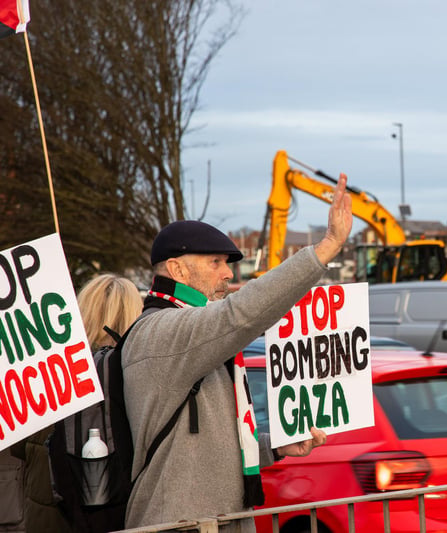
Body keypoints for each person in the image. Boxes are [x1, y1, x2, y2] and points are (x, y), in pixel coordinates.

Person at [121, 174, 352, 531]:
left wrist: (275, 446)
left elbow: (205, 451)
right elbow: (239, 314)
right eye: (216, 262)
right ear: (177, 268)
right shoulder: (160, 332)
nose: (228, 273)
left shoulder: (188, 333)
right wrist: (325, 248)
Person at [7, 274, 142, 533]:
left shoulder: (46, 372)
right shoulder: (135, 375)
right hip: (117, 516)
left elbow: (19, 447)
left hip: (48, 514)